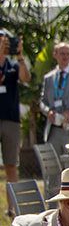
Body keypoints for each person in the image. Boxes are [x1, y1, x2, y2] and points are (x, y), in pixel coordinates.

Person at [0, 31, 31, 213]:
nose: (3, 45)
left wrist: (19, 56)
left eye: (5, 42)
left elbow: (25, 78)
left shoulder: (12, 65)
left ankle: (12, 208)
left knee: (11, 165)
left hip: (11, 121)